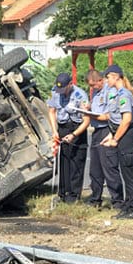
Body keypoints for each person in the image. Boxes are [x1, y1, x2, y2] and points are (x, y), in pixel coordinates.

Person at [100, 64, 133, 219]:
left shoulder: (124, 94)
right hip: (120, 135)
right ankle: (128, 206)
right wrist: (111, 136)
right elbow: (115, 120)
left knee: (130, 175)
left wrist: (115, 139)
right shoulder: (116, 93)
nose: (106, 81)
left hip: (127, 138)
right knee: (125, 173)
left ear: (116, 76)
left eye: (108, 77)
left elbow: (126, 120)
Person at [47, 72, 90, 203]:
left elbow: (86, 120)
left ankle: (73, 195)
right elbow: (52, 111)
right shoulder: (55, 92)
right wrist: (55, 131)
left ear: (70, 84)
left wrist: (74, 135)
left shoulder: (80, 95)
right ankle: (63, 193)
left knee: (76, 163)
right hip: (62, 127)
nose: (60, 92)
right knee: (64, 162)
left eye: (63, 89)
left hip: (77, 129)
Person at [84, 69, 121, 208]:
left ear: (100, 80)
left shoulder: (109, 91)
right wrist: (87, 108)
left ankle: (117, 201)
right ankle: (95, 199)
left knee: (109, 168)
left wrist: (91, 115)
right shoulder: (96, 92)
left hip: (106, 129)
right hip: (96, 131)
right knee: (95, 169)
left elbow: (108, 115)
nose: (92, 88)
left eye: (93, 85)